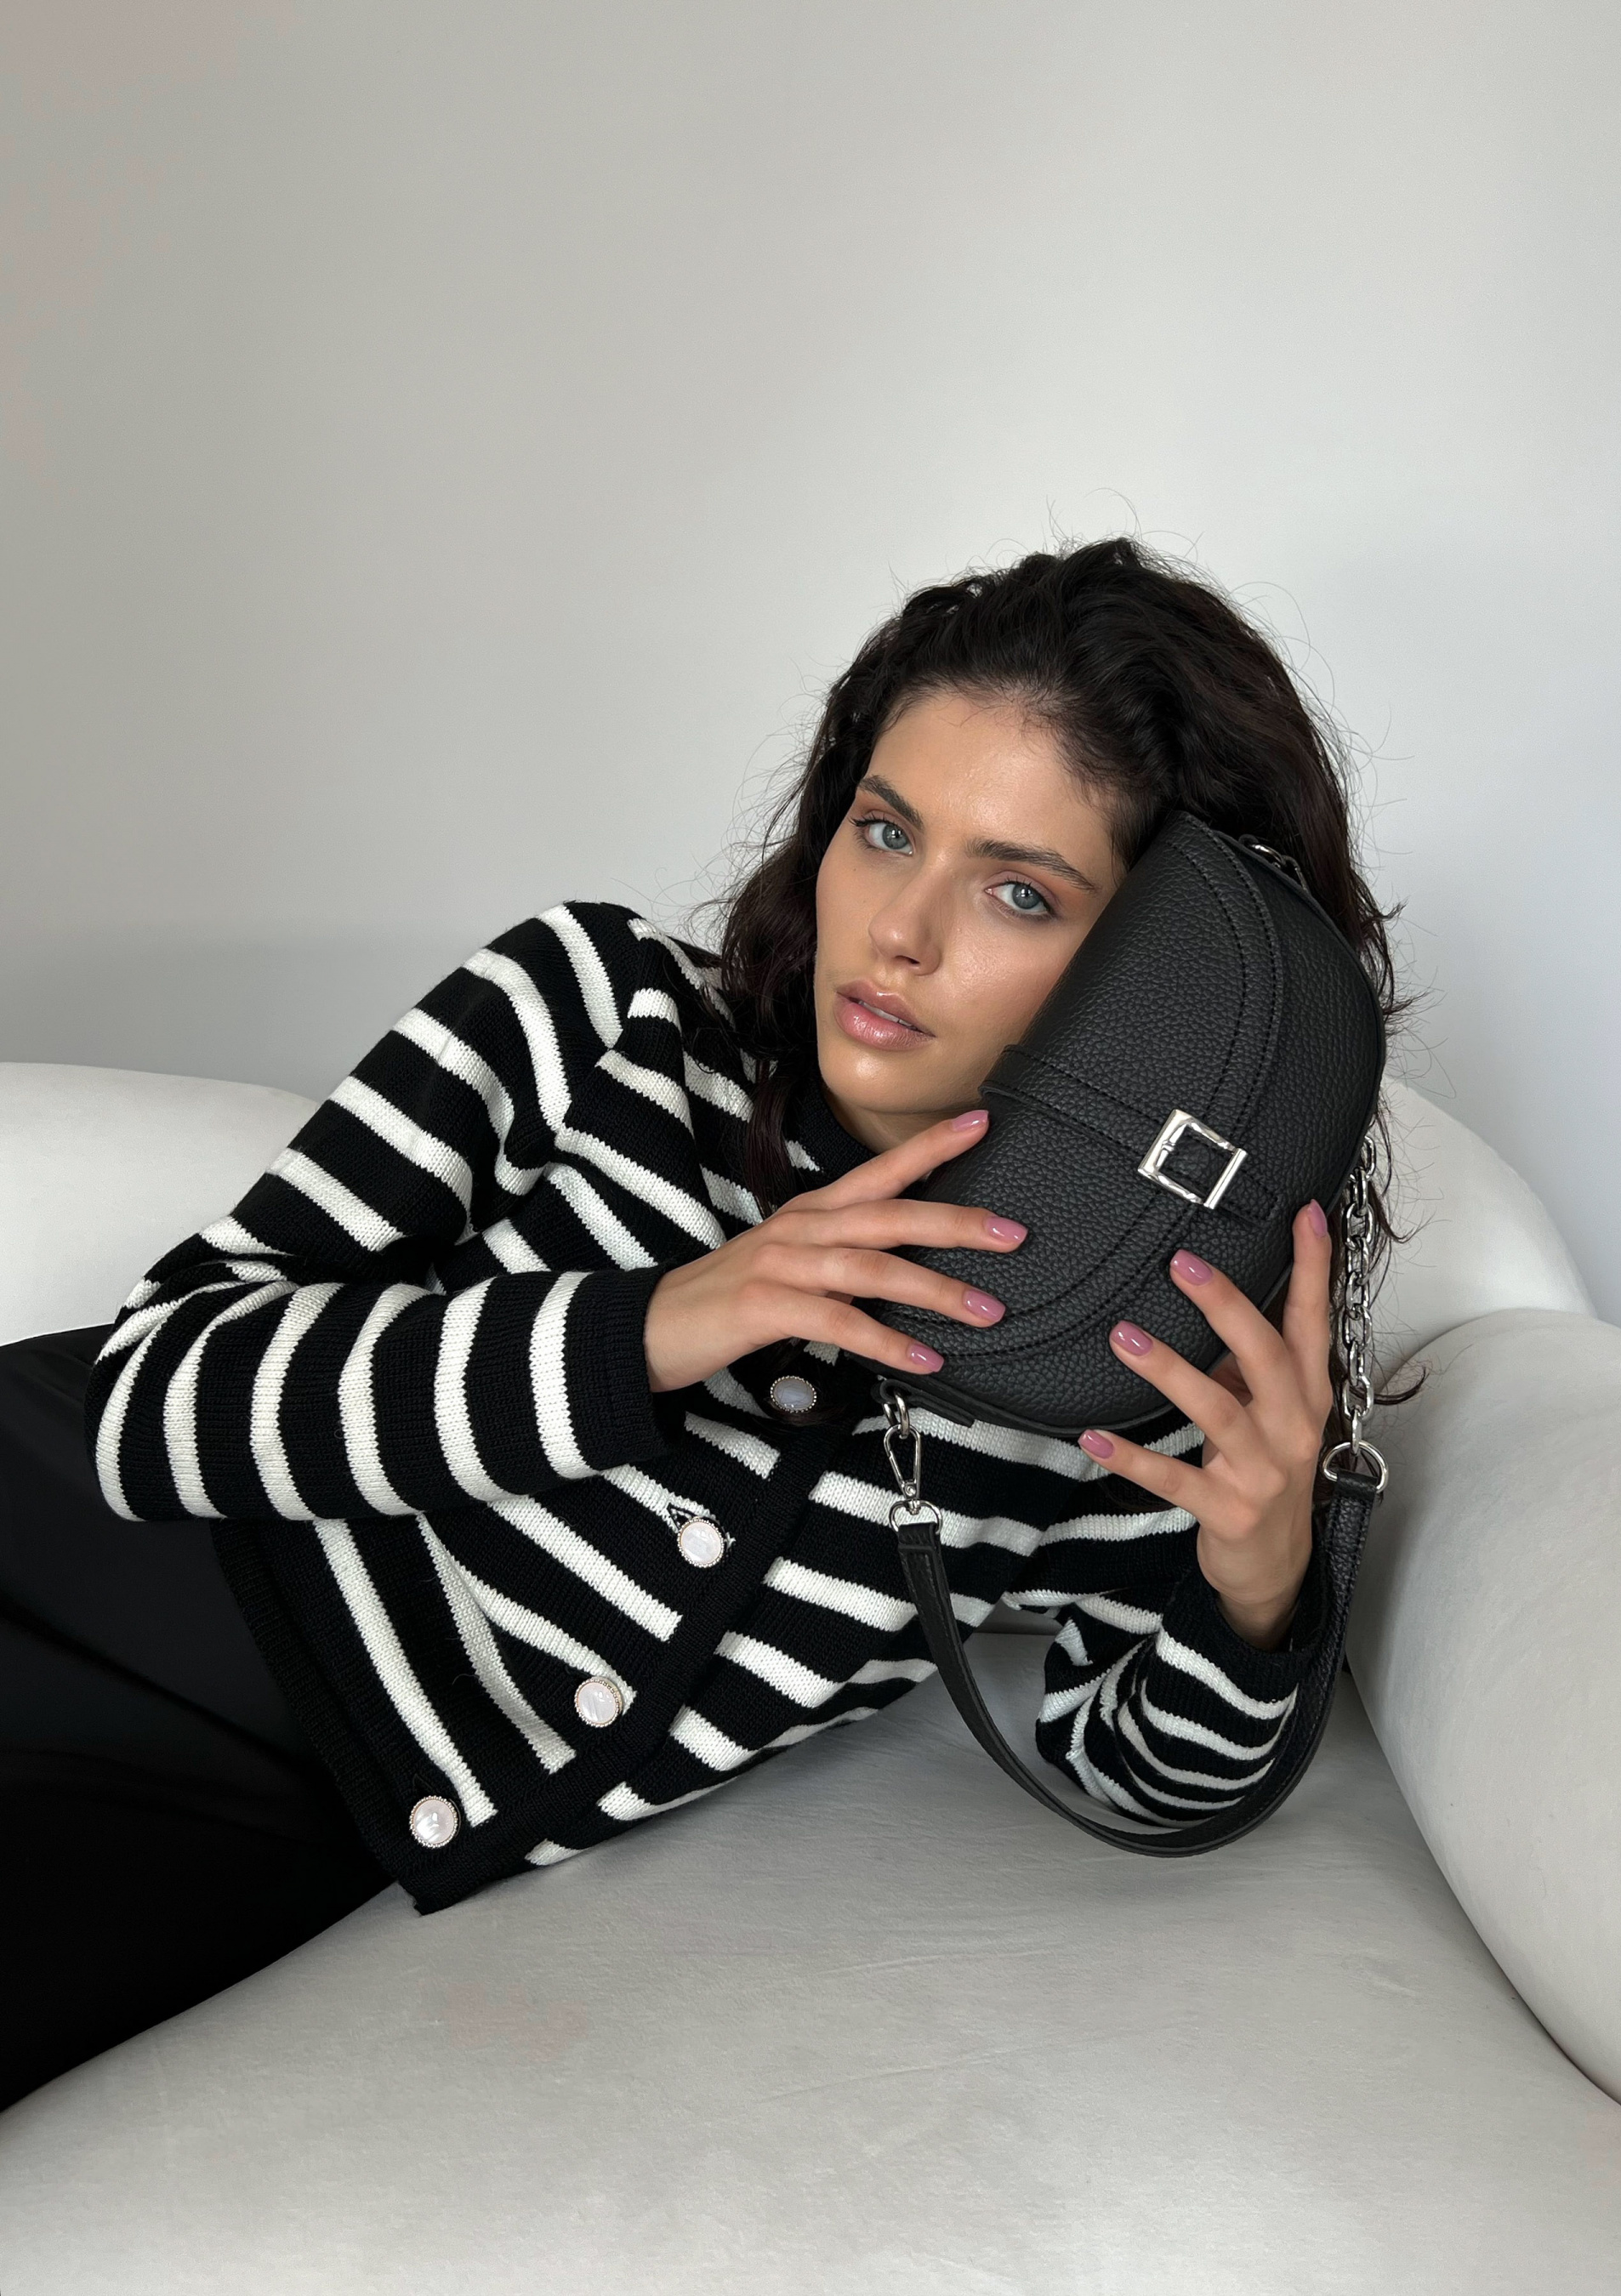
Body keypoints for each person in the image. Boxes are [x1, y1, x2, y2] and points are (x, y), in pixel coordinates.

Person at [0, 537, 1399, 2111]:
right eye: (885, 831)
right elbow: (149, 1402)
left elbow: (1145, 1781)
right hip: (72, 1554)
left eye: (1019, 890)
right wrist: (661, 1323)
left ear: (1167, 981)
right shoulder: (600, 1013)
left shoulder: (1115, 1353)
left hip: (283, 1810)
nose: (899, 931)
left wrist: (1255, 1582)